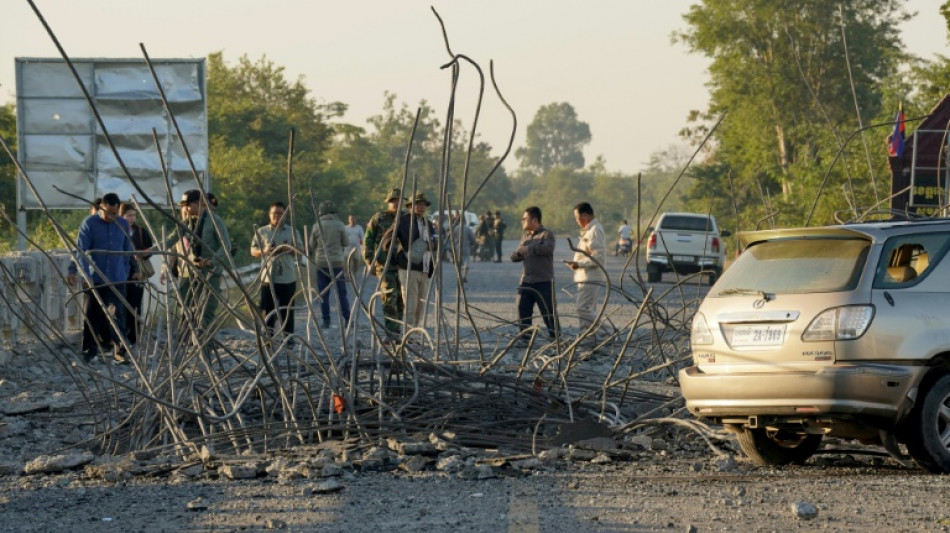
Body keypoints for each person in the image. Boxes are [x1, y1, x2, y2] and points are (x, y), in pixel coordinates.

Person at [67, 192, 138, 364]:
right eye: (109, 213)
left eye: (115, 213)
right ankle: (89, 351)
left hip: (117, 278)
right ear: (101, 207)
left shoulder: (122, 224)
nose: (112, 217)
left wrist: (131, 269)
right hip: (95, 279)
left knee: (118, 316)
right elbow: (80, 251)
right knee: (92, 315)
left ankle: (119, 351)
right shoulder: (89, 224)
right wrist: (79, 272)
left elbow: (128, 251)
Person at [178, 189, 232, 329]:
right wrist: (147, 252)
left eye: (187, 205)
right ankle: (191, 343)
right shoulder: (187, 222)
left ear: (197, 204)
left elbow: (226, 245)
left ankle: (205, 348)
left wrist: (211, 261)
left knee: (206, 311)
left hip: (210, 272)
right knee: (185, 305)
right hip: (192, 272)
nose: (185, 208)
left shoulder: (214, 220)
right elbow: (172, 239)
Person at [251, 201, 303, 336]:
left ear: (285, 215)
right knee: (268, 311)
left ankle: (288, 338)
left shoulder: (292, 231)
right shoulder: (261, 231)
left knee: (287, 310)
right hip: (268, 278)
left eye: (280, 213)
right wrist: (265, 250)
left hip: (287, 277)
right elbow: (253, 251)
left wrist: (290, 248)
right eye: (274, 213)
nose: (277, 216)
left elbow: (301, 250)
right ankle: (269, 338)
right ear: (269, 214)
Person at [510, 206, 558, 342]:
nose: (522, 221)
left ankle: (555, 337)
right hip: (526, 279)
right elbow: (517, 255)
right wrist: (519, 252)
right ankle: (525, 337)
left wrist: (529, 248)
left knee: (548, 312)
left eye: (524, 219)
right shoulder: (525, 236)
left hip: (543, 281)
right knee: (522, 310)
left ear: (535, 220)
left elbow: (548, 249)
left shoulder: (547, 234)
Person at [364, 188, 405, 340]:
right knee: (389, 297)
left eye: (398, 200)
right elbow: (368, 240)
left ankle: (398, 330)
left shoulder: (407, 218)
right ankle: (391, 332)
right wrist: (369, 262)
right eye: (393, 200)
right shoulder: (379, 218)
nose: (396, 203)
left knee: (401, 300)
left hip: (402, 265)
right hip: (384, 264)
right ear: (388, 202)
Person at [393, 192, 436, 336]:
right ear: (411, 206)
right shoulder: (403, 221)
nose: (421, 207)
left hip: (424, 267)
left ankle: (414, 333)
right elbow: (394, 240)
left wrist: (431, 245)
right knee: (410, 304)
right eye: (418, 204)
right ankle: (407, 334)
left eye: (423, 204)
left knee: (420, 305)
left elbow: (433, 242)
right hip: (408, 267)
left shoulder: (428, 223)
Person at [565, 202, 607, 341]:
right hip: (584, 276)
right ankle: (588, 340)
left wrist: (579, 263)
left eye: (578, 217)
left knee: (582, 308)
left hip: (591, 276)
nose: (577, 221)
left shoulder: (595, 230)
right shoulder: (589, 230)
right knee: (588, 309)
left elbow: (597, 258)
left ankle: (607, 332)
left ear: (585, 215)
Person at [310, 201, 351, 329]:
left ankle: (326, 320)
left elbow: (312, 245)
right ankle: (347, 319)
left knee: (323, 293)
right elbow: (345, 242)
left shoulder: (317, 226)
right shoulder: (339, 225)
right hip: (337, 262)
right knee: (341, 293)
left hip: (321, 263)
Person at [119, 202, 155, 346]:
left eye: (134, 215)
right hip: (121, 272)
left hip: (137, 273)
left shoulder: (141, 231)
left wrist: (142, 255)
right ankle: (121, 335)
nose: (132, 218)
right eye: (129, 215)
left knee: (135, 304)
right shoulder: (117, 230)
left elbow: (149, 249)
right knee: (121, 304)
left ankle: (134, 336)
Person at [451, 212, 474, 283]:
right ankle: (464, 276)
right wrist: (472, 243)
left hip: (457, 247)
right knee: (466, 262)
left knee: (458, 263)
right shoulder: (467, 229)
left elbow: (451, 238)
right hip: (466, 247)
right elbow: (472, 239)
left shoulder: (455, 228)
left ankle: (459, 276)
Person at [343, 214, 364, 281]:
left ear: (355, 219)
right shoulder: (345, 228)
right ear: (348, 220)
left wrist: (363, 246)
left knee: (356, 261)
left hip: (356, 247)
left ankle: (354, 274)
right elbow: (343, 237)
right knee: (347, 261)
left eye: (353, 219)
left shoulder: (359, 228)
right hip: (347, 247)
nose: (352, 220)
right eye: (350, 219)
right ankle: (347, 275)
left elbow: (362, 237)